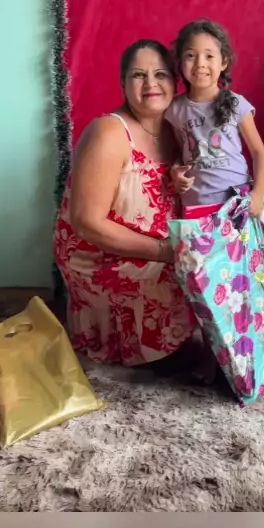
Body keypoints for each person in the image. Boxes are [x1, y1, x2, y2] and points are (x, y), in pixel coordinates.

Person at [53, 39, 195, 366]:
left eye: (160, 74)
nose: (150, 83)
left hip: (156, 243)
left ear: (175, 82)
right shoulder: (108, 132)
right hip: (99, 252)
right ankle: (152, 351)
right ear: (123, 84)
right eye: (138, 75)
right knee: (173, 277)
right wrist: (164, 252)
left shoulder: (178, 129)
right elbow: (87, 223)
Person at [167, 18, 264, 219]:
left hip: (236, 203)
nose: (200, 64)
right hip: (196, 207)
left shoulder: (236, 104)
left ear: (223, 62)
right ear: (180, 62)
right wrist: (175, 171)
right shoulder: (174, 110)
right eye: (191, 55)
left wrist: (258, 194)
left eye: (209, 56)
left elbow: (259, 153)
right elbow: (181, 152)